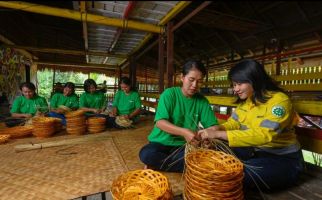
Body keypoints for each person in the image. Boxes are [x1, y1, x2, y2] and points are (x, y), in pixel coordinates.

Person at [198, 59, 304, 191]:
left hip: (282, 159)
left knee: (234, 175)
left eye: (239, 84)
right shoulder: (246, 102)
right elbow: (234, 123)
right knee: (214, 158)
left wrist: (219, 134)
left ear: (254, 79)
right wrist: (218, 128)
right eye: (233, 85)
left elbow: (264, 135)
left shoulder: (279, 101)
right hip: (254, 152)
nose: (235, 89)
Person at [139, 60, 219, 172]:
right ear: (182, 77)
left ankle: (159, 165)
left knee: (199, 157)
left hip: (184, 147)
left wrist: (207, 135)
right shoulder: (169, 94)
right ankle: (183, 166)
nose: (195, 85)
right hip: (160, 142)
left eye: (199, 81)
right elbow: (160, 122)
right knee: (146, 154)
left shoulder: (202, 101)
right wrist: (184, 132)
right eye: (191, 80)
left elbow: (213, 126)